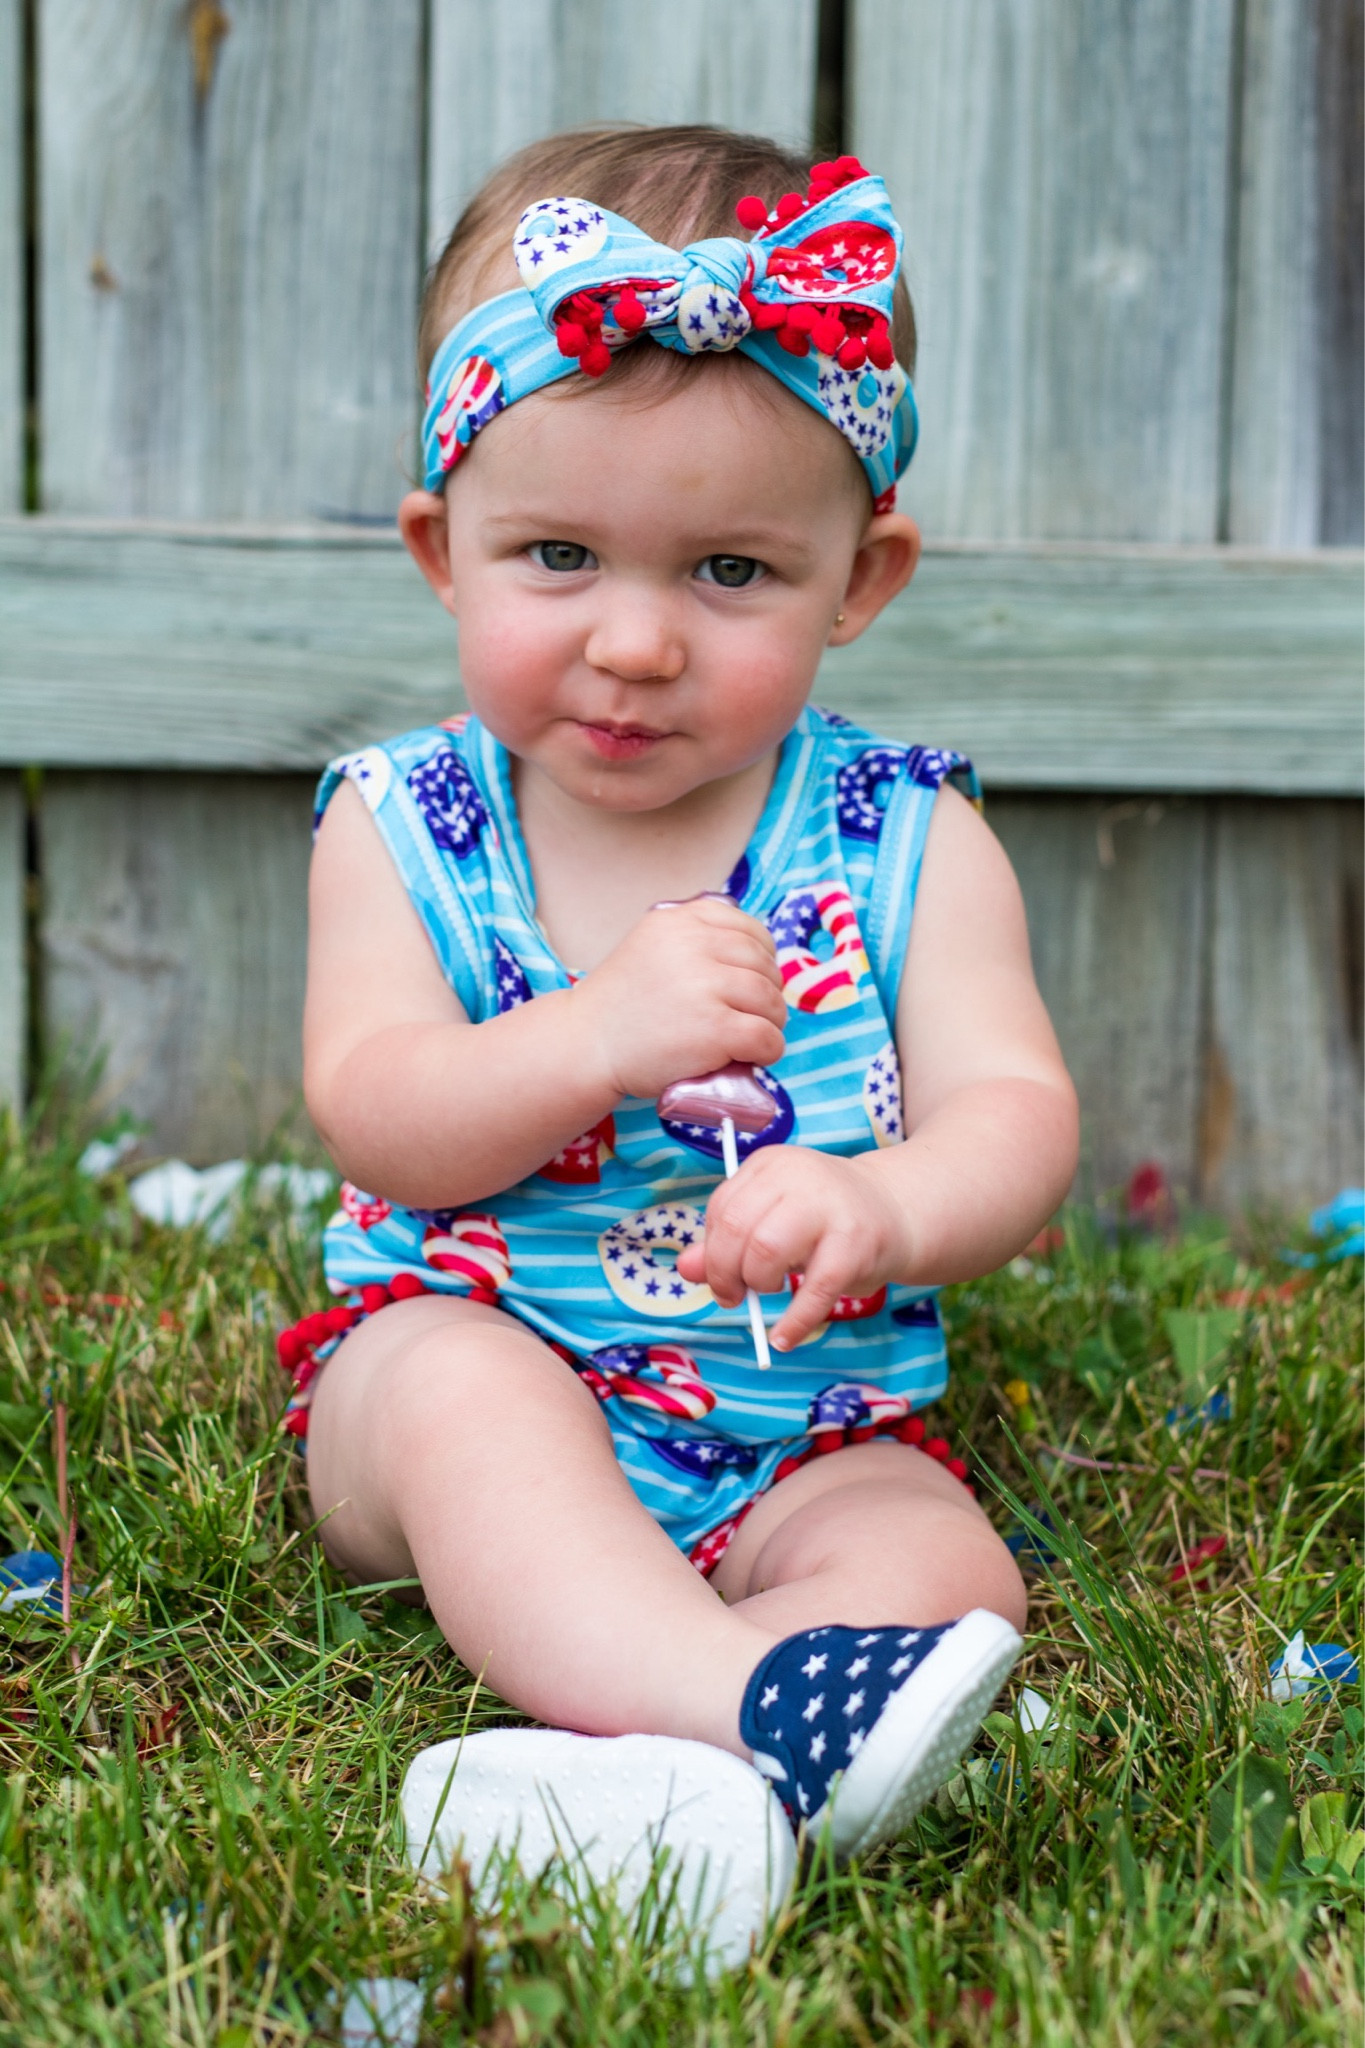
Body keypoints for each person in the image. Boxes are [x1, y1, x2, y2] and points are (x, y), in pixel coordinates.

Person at [286, 125, 1078, 1894]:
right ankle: (755, 1708)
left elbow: (1015, 1114)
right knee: (457, 1399)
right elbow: (378, 1109)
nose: (635, 643)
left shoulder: (907, 839)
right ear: (441, 549)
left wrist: (885, 1203)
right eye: (558, 554)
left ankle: (639, 1780)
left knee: (948, 1572)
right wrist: (591, 1036)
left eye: (728, 572)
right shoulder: (402, 826)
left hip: (799, 1430)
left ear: (858, 580)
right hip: (462, 1390)